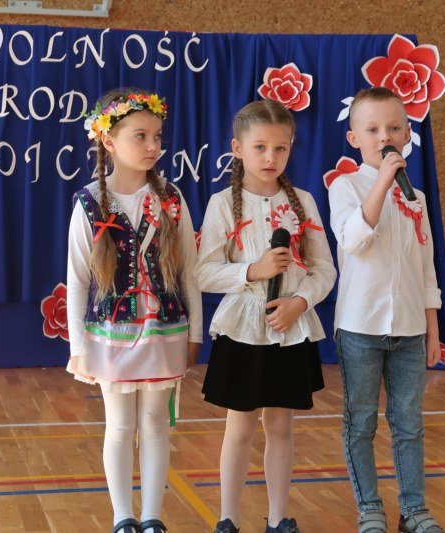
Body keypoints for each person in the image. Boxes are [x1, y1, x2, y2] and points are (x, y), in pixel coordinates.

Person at [196, 99, 336, 533]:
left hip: (289, 326)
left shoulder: (303, 202)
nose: (270, 157)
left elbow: (324, 269)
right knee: (239, 427)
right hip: (243, 327)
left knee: (280, 425)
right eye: (259, 147)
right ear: (238, 148)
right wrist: (252, 271)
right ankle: (228, 518)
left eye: (280, 148)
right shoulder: (223, 203)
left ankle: (278, 518)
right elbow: (204, 272)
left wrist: (300, 302)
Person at [66, 88, 202, 533]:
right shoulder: (89, 202)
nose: (152, 146)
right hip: (113, 334)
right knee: (121, 425)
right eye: (139, 136)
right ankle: (123, 516)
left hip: (165, 329)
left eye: (157, 136)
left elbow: (189, 271)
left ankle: (152, 517)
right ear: (108, 141)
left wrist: (195, 333)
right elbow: (78, 279)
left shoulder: (171, 199)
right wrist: (78, 346)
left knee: (157, 423)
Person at [328, 87, 444, 533]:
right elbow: (354, 240)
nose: (384, 137)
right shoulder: (345, 187)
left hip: (411, 328)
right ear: (354, 138)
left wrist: (432, 328)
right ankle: (369, 507)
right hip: (361, 327)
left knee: (408, 422)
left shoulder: (416, 197)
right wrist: (381, 183)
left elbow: (426, 264)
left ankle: (414, 509)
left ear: (407, 133)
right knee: (360, 421)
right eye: (373, 129)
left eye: (394, 128)